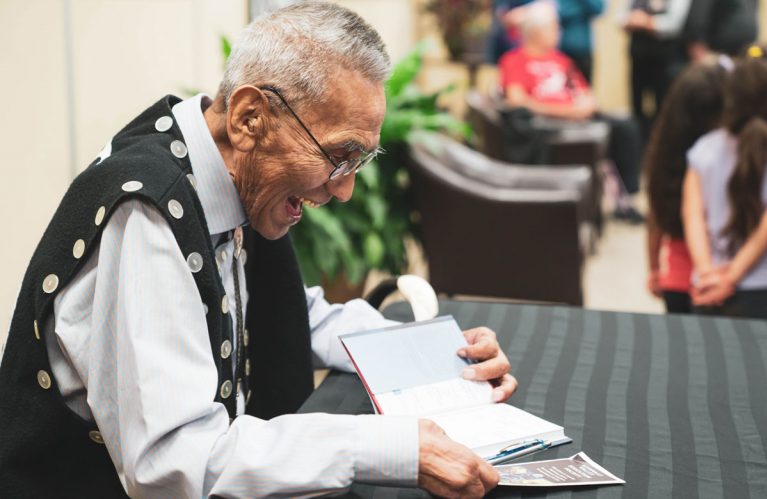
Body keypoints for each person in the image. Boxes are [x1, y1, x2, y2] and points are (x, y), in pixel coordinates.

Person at [0, 3, 518, 498]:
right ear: (250, 117)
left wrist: (436, 354)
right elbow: (173, 462)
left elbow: (287, 313)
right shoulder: (147, 217)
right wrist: (390, 448)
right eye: (339, 157)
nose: (345, 190)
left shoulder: (227, 169)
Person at [499, 1, 645, 223]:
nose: (559, 32)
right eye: (554, 27)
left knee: (626, 127)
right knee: (598, 133)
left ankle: (625, 200)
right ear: (536, 32)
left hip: (579, 116)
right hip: (551, 122)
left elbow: (585, 93)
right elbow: (517, 101)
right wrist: (566, 112)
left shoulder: (562, 60)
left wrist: (586, 106)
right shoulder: (515, 60)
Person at [682, 46, 767, 319]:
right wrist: (732, 276)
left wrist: (707, 272)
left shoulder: (704, 148)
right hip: (759, 288)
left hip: (707, 288)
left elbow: (692, 215)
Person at [645, 61, 726, 313]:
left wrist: (655, 267)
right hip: (726, 275)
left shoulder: (665, 152)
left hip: (677, 277)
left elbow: (655, 215)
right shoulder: (731, 156)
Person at [622, 0, 693, 140]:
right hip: (638, 60)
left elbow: (673, 25)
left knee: (664, 108)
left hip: (664, 62)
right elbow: (621, 19)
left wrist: (645, 21)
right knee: (637, 108)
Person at [489, 0, 604, 84]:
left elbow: (598, 7)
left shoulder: (568, 61)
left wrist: (543, 8)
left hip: (575, 49)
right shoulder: (515, 60)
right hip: (532, 51)